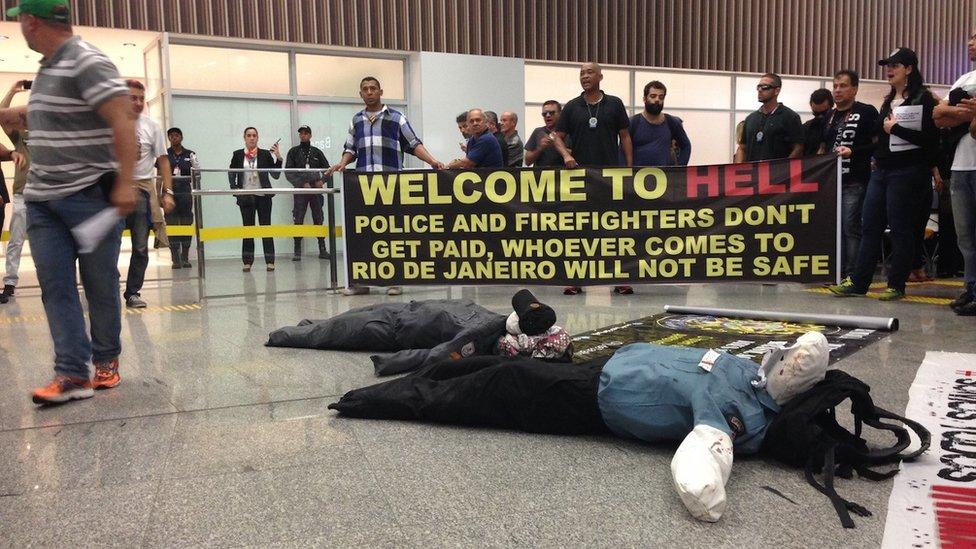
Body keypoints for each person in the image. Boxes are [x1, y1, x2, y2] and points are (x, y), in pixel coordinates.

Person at [328, 332, 830, 523]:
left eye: (796, 363)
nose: (787, 359)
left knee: (499, 385)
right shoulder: (751, 373)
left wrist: (707, 491)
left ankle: (371, 401)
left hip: (587, 404)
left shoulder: (741, 418)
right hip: (601, 371)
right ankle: (431, 369)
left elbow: (703, 464)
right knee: (498, 370)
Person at [0, 0, 137, 404]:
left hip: (89, 195)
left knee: (99, 285)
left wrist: (126, 184)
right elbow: (47, 116)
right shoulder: (47, 69)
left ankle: (106, 361)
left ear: (31, 22)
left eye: (20, 22)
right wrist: (15, 115)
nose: (19, 29)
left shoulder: (87, 61)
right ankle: (71, 373)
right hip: (43, 199)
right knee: (56, 286)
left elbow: (122, 120)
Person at [830, 47, 939, 301]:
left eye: (895, 65)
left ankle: (896, 283)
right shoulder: (889, 101)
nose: (889, 70)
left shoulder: (923, 99)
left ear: (909, 69)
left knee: (901, 228)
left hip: (908, 172)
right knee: (870, 226)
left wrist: (897, 128)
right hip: (882, 171)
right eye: (888, 66)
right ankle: (858, 282)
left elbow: (931, 142)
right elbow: (878, 139)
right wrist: (856, 151)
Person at [327, 76, 445, 296]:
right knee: (363, 233)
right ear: (360, 94)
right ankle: (361, 283)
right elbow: (351, 148)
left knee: (392, 232)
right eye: (365, 89)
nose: (369, 92)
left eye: (373, 88)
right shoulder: (357, 120)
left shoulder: (396, 118)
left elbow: (413, 144)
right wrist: (342, 164)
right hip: (363, 186)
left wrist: (432, 161)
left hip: (390, 184)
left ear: (381, 91)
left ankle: (394, 280)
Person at [553, 62, 633, 296]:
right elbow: (556, 137)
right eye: (581, 74)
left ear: (600, 76)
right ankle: (575, 279)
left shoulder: (615, 104)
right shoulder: (572, 107)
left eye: (589, 73)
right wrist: (566, 155)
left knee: (613, 229)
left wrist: (629, 168)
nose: (585, 76)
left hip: (610, 177)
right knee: (579, 230)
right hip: (580, 177)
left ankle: (620, 278)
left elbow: (625, 137)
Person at [934, 28, 976, 315]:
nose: (970, 43)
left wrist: (959, 115)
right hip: (961, 165)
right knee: (965, 236)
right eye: (970, 38)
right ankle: (970, 287)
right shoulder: (964, 79)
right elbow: (938, 116)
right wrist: (971, 113)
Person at [824, 70, 879, 282]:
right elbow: (824, 145)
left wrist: (854, 152)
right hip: (832, 181)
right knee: (834, 227)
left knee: (850, 226)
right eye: (835, 85)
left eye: (843, 86)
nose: (838, 90)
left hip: (855, 179)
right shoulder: (830, 115)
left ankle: (853, 274)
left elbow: (877, 143)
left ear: (854, 89)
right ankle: (837, 270)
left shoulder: (866, 111)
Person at [124, 79, 174, 308]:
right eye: (132, 97)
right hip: (114, 190)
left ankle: (133, 291)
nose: (137, 102)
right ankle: (103, 290)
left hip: (142, 192)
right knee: (107, 245)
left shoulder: (152, 126)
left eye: (141, 98)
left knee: (140, 246)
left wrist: (168, 192)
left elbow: (163, 161)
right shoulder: (109, 123)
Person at [229, 126, 282, 272]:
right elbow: (231, 172)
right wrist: (234, 189)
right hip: (246, 197)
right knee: (248, 229)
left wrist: (278, 158)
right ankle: (247, 261)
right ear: (244, 138)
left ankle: (270, 261)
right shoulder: (238, 154)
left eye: (254, 135)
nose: (251, 138)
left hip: (263, 197)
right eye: (249, 135)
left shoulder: (265, 154)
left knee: (266, 228)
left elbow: (276, 175)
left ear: (257, 138)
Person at [0, 80, 30, 303]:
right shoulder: (20, 137)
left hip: (49, 195)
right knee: (16, 240)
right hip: (23, 194)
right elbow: (2, 114)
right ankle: (10, 282)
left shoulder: (52, 135)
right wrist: (12, 91)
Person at [284, 124, 330, 262]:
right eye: (301, 133)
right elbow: (288, 173)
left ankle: (322, 250)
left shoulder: (316, 152)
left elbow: (328, 169)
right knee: (298, 219)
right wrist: (301, 183)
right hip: (301, 191)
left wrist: (322, 181)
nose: (303, 135)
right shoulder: (293, 152)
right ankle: (297, 252)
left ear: (310, 135)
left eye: (305, 133)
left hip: (315, 190)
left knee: (318, 219)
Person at [734, 73, 804, 162]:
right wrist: (738, 169)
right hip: (753, 173)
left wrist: (784, 168)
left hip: (777, 173)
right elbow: (742, 148)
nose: (760, 90)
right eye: (758, 87)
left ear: (776, 91)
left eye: (765, 87)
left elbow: (798, 147)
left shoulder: (790, 117)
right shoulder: (751, 118)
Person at [628, 80, 692, 166]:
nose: (657, 100)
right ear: (644, 99)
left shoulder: (672, 122)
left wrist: (679, 169)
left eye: (661, 97)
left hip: (665, 177)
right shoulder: (633, 123)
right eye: (653, 96)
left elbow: (686, 146)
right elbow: (622, 152)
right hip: (637, 177)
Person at [165, 127, 198, 269]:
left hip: (185, 192)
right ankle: (175, 258)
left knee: (186, 223)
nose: (174, 138)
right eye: (171, 136)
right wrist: (160, 194)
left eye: (177, 135)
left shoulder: (190, 154)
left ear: (181, 137)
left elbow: (196, 173)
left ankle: (185, 257)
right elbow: (160, 176)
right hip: (169, 192)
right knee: (171, 224)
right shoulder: (164, 154)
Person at [524, 100, 571, 167]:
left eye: (551, 113)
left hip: (564, 174)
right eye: (544, 114)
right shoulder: (538, 132)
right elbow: (527, 161)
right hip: (542, 175)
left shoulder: (569, 132)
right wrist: (540, 148)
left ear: (560, 114)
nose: (548, 116)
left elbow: (579, 156)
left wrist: (557, 146)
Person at [801, 88, 834, 155]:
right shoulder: (806, 127)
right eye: (816, 113)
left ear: (831, 106)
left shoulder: (838, 126)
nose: (820, 116)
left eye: (824, 113)